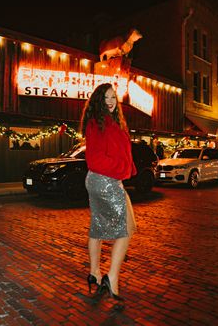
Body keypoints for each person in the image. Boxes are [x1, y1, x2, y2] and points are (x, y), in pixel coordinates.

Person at [80, 83, 137, 301]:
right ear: (98, 100)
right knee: (126, 228)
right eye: (106, 98)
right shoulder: (98, 123)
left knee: (98, 227)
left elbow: (121, 152)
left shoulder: (112, 122)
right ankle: (112, 277)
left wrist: (127, 167)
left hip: (103, 180)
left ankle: (95, 273)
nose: (111, 101)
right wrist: (122, 168)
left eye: (113, 97)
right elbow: (94, 159)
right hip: (105, 180)